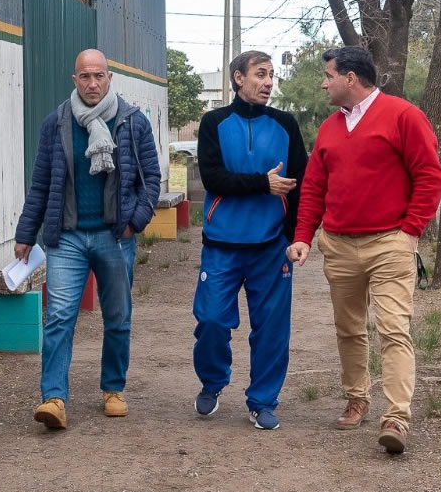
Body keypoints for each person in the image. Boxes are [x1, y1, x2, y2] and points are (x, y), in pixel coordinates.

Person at [287, 46, 441, 454]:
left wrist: (410, 232)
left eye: (328, 75)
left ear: (350, 78)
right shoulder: (329, 128)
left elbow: (429, 175)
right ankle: (357, 399)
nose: (323, 82)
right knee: (349, 328)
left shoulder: (403, 116)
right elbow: (314, 188)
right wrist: (304, 235)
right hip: (338, 245)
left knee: (394, 328)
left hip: (389, 242)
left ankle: (396, 418)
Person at [15, 49, 161, 429]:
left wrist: (135, 222)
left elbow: (151, 179)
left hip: (115, 236)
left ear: (110, 78)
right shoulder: (57, 123)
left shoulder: (132, 122)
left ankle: (113, 388)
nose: (92, 83)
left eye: (98, 76)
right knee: (60, 316)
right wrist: (26, 234)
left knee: (117, 316)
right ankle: (54, 398)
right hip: (67, 238)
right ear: (74, 79)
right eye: (85, 76)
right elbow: (41, 183)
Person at [192, 50, 308, 430]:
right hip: (222, 245)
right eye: (260, 74)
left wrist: (295, 237)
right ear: (239, 78)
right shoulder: (214, 122)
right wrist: (264, 184)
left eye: (272, 75)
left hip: (271, 247)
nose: (269, 82)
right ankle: (213, 382)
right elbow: (213, 179)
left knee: (272, 329)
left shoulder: (285, 125)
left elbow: (303, 185)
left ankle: (263, 401)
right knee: (210, 320)